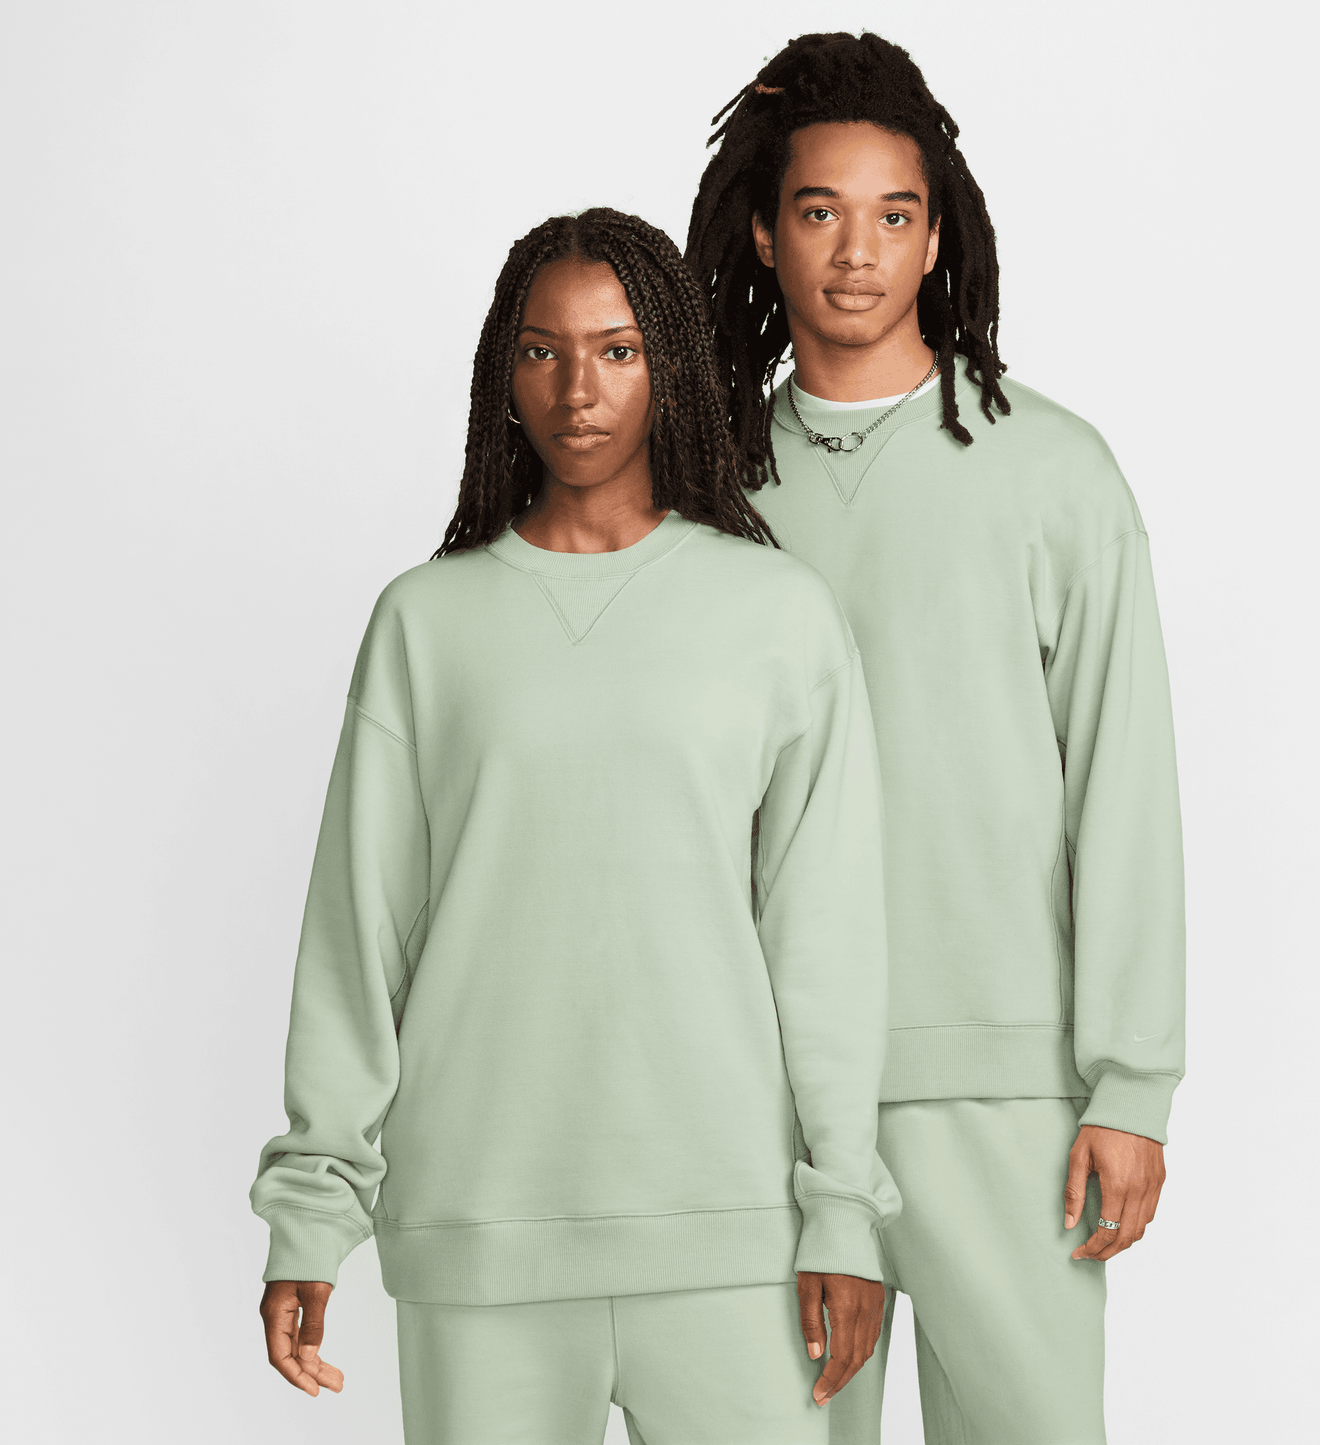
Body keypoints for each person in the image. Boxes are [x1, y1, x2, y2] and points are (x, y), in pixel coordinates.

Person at [250, 207, 900, 1445]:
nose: (577, 390)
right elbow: (357, 936)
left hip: (730, 1239)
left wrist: (843, 1208)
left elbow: (824, 941)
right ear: (504, 374)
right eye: (541, 351)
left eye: (616, 350)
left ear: (670, 366)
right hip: (476, 1238)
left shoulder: (776, 614)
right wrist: (311, 1214)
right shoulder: (425, 623)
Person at [685, 33, 1185, 1445]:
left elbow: (1122, 779)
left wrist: (1130, 1082)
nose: (857, 253)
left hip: (1004, 1093)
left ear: (937, 233)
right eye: (819, 212)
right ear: (763, 233)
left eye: (893, 214)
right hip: (767, 1101)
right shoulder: (710, 495)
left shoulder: (1055, 474)